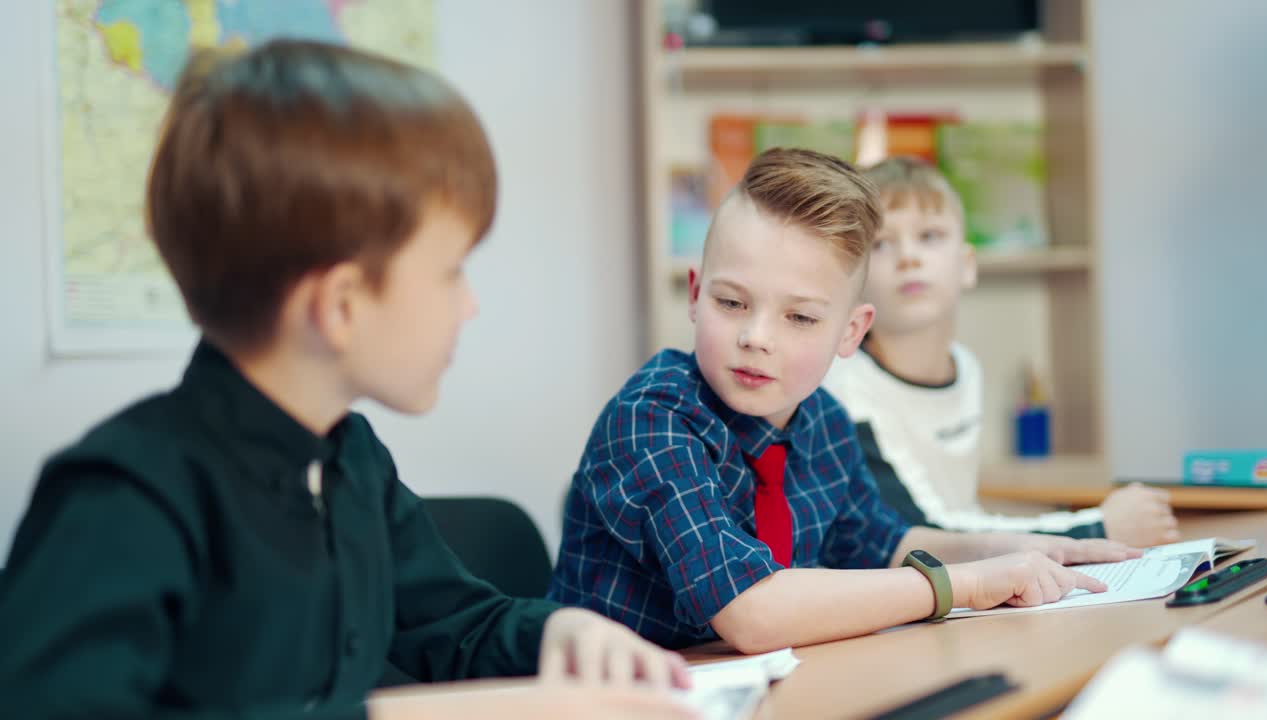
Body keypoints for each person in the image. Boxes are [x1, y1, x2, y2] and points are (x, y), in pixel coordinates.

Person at [0, 40, 692, 720]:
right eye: (452, 270)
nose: (470, 303)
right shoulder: (124, 497)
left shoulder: (351, 461)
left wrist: (561, 636)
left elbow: (457, 622)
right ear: (340, 306)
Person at [549, 148, 1139, 652]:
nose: (757, 336)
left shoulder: (824, 422)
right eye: (732, 303)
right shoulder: (652, 418)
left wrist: (1024, 550)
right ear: (697, 294)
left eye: (800, 316)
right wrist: (960, 585)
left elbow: (887, 544)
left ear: (851, 332)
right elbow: (752, 612)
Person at [823, 156, 1178, 547]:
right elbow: (919, 531)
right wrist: (1099, 527)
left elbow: (962, 517)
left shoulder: (965, 366)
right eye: (882, 244)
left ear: (967, 266)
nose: (909, 257)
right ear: (854, 278)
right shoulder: (844, 388)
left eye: (929, 236)